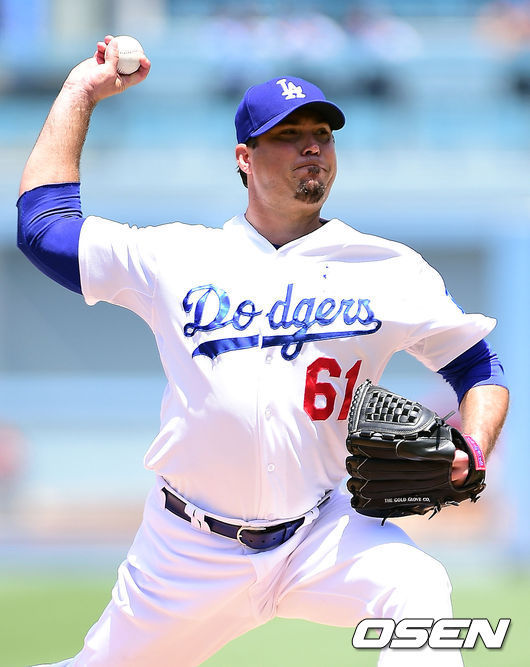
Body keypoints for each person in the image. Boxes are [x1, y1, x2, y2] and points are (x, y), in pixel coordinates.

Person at [18, 35, 509, 667]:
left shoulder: (387, 269)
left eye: (322, 134)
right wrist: (80, 91)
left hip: (321, 533)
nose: (312, 147)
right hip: (189, 549)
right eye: (288, 135)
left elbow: (478, 366)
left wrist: (474, 446)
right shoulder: (177, 257)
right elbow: (43, 229)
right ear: (244, 158)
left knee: (416, 587)